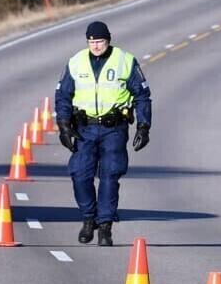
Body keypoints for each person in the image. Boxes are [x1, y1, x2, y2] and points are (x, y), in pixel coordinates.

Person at [55, 21, 152, 247]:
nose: (96, 46)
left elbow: (142, 95)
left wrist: (143, 126)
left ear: (108, 40)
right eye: (92, 41)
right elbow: (63, 96)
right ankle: (89, 218)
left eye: (100, 41)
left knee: (110, 175)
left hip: (113, 128)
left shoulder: (125, 61)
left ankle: (105, 226)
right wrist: (63, 125)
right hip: (84, 128)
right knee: (80, 174)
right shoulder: (76, 62)